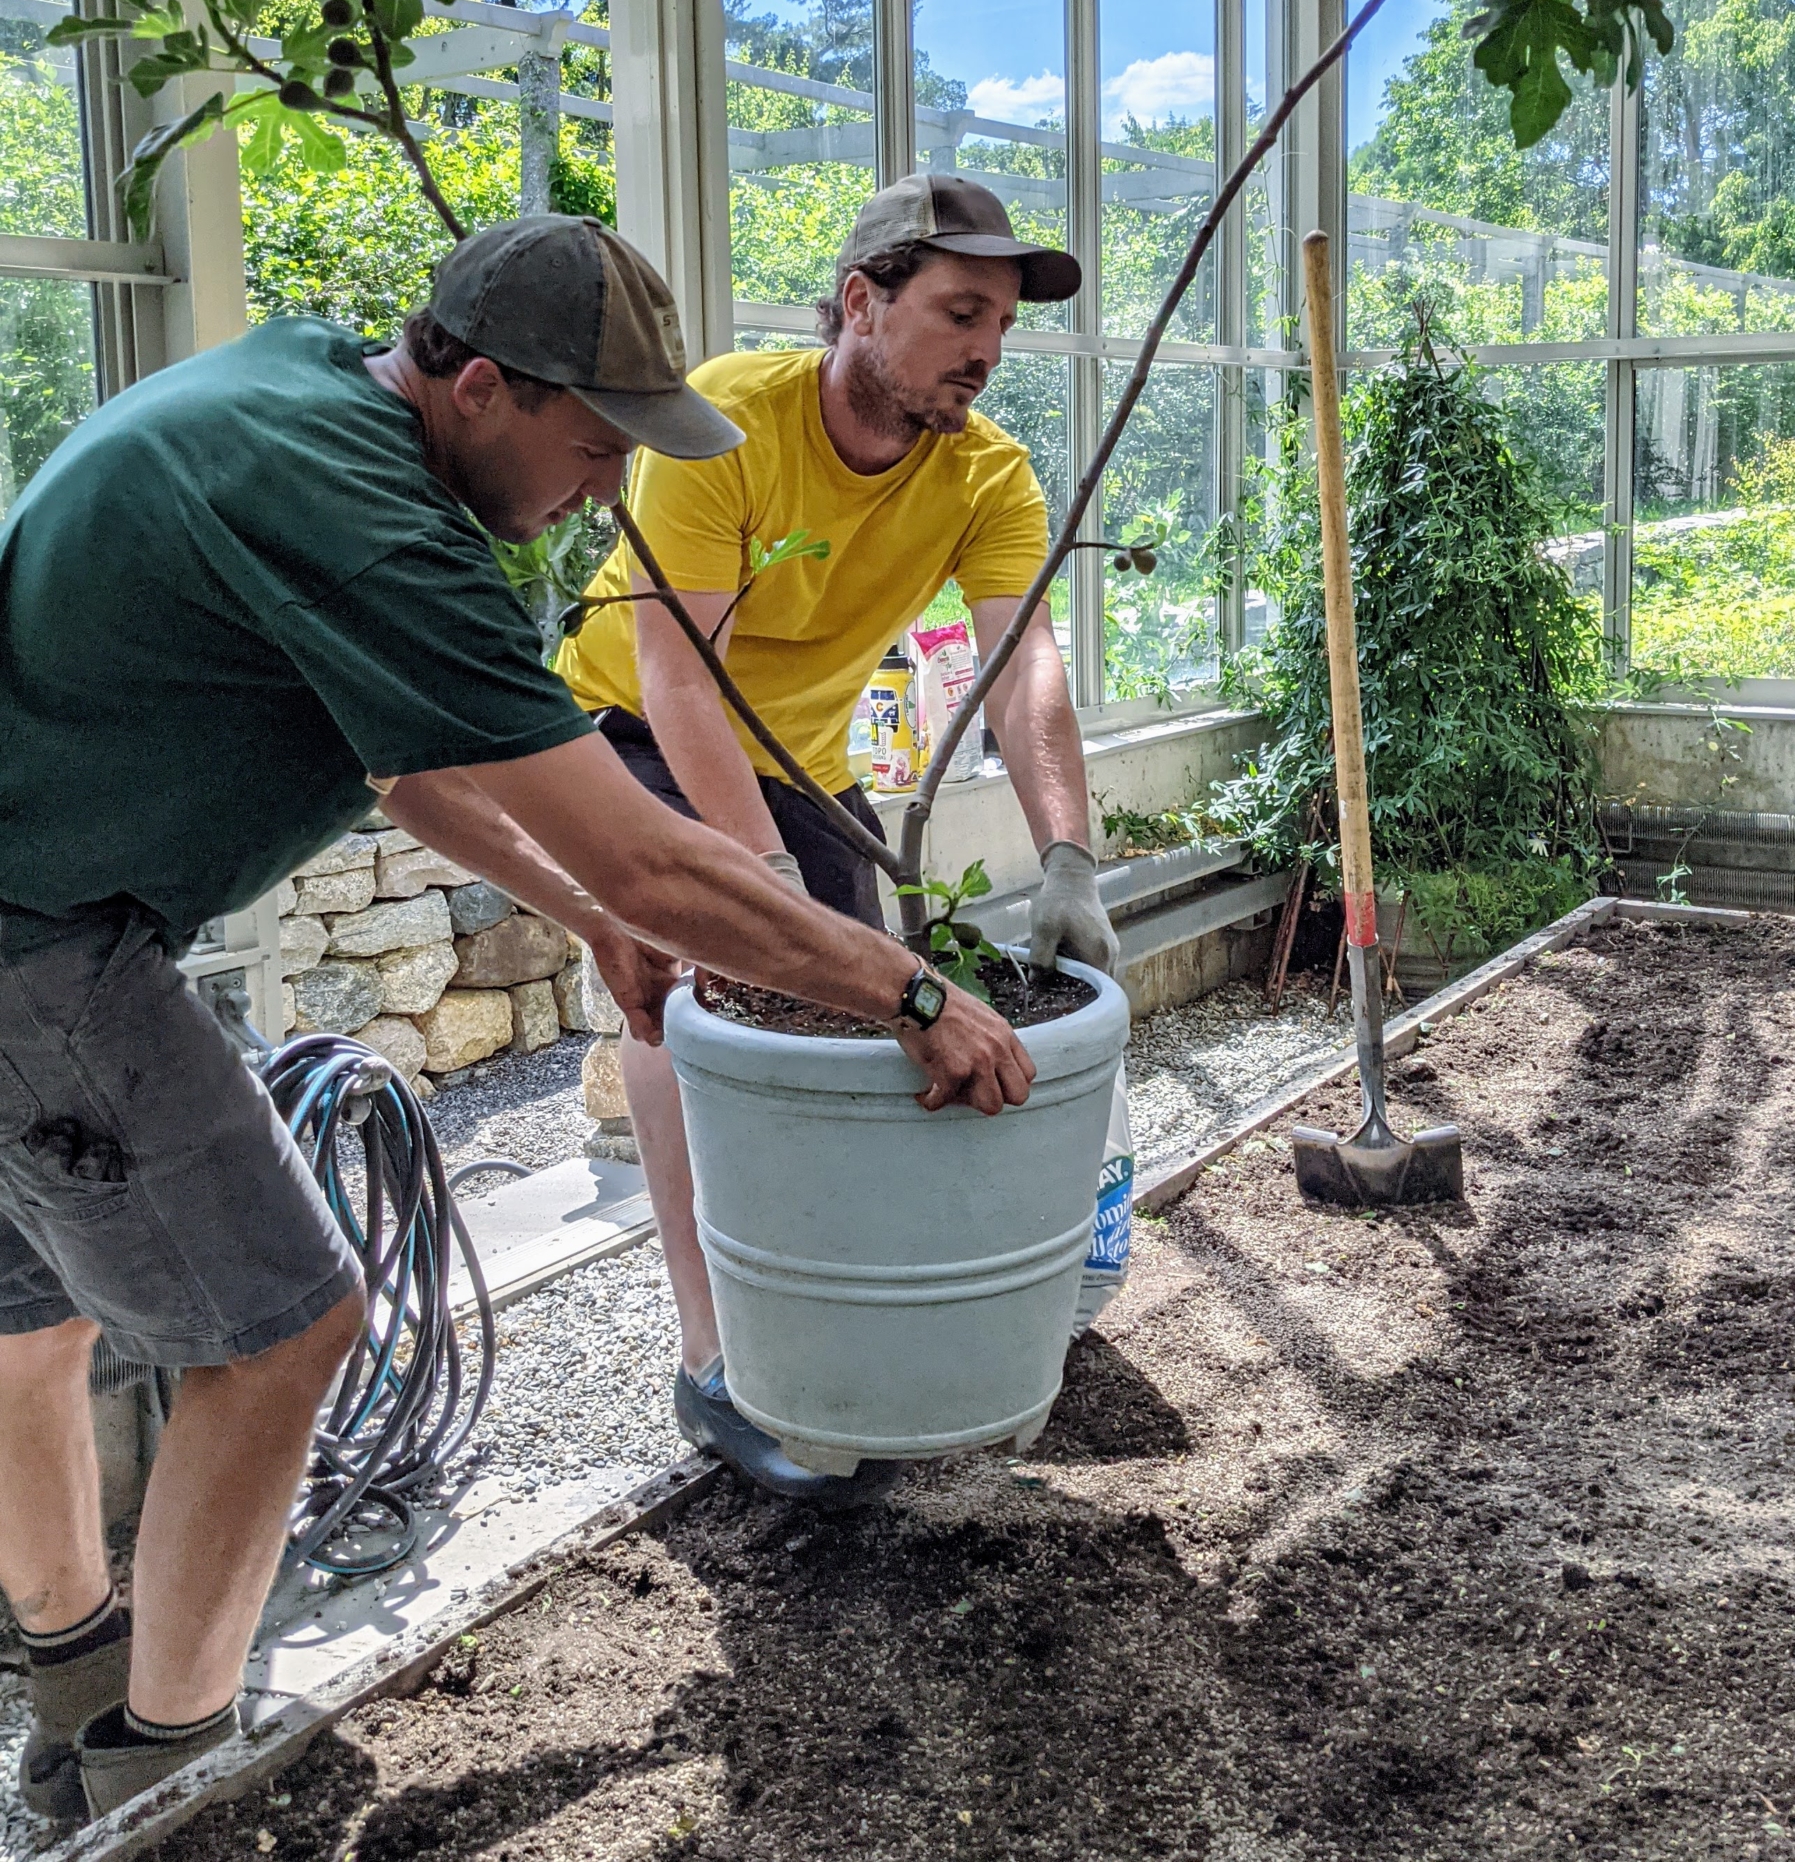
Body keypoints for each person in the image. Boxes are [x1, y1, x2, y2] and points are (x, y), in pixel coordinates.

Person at [0, 215, 1031, 1822]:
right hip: (43, 947)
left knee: (37, 1320)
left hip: (36, 916)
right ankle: (169, 1787)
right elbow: (642, 844)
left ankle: (75, 1693)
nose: (613, 488)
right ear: (480, 385)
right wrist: (910, 991)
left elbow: (411, 772)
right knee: (287, 1329)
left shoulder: (300, 397)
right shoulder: (368, 519)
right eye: (594, 442)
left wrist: (595, 921)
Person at [555, 177, 1121, 1499]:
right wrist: (752, 900)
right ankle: (714, 1364)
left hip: (801, 755)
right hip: (631, 721)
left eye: (1003, 325)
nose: (987, 349)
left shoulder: (988, 474)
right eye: (959, 312)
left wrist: (1069, 854)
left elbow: (1022, 660)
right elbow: (680, 673)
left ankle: (843, 1317)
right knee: (708, 1012)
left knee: (871, 1017)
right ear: (862, 301)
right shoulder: (723, 423)